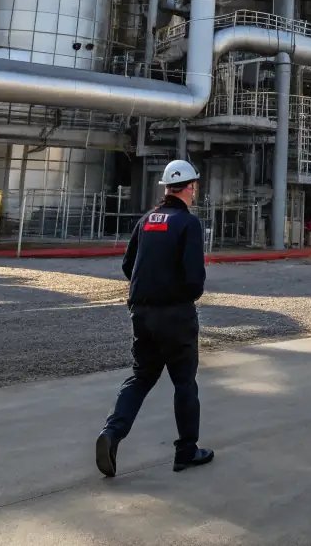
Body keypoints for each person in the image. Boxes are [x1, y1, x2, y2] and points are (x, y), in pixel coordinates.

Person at [95, 159, 214, 477]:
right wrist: (180, 294)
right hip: (175, 315)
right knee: (184, 382)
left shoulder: (146, 220)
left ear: (166, 187)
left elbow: (128, 265)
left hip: (141, 313)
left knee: (141, 377)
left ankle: (111, 434)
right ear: (190, 187)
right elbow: (194, 279)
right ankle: (186, 451)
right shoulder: (188, 223)